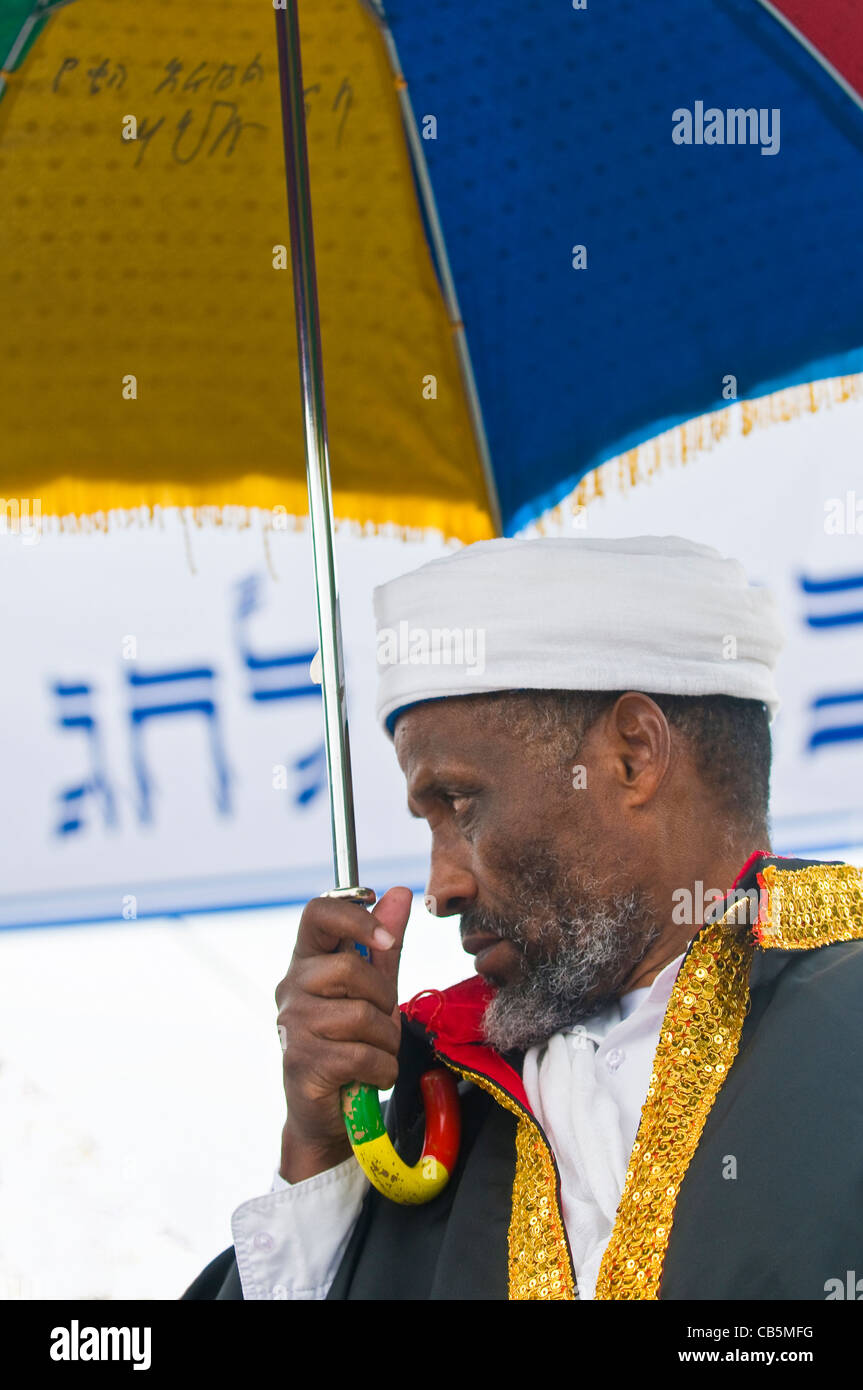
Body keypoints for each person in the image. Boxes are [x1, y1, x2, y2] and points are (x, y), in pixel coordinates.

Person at [182, 535, 863, 1301]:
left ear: (633, 757)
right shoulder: (424, 1106)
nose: (439, 886)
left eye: (460, 804)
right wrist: (316, 1154)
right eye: (426, 820)